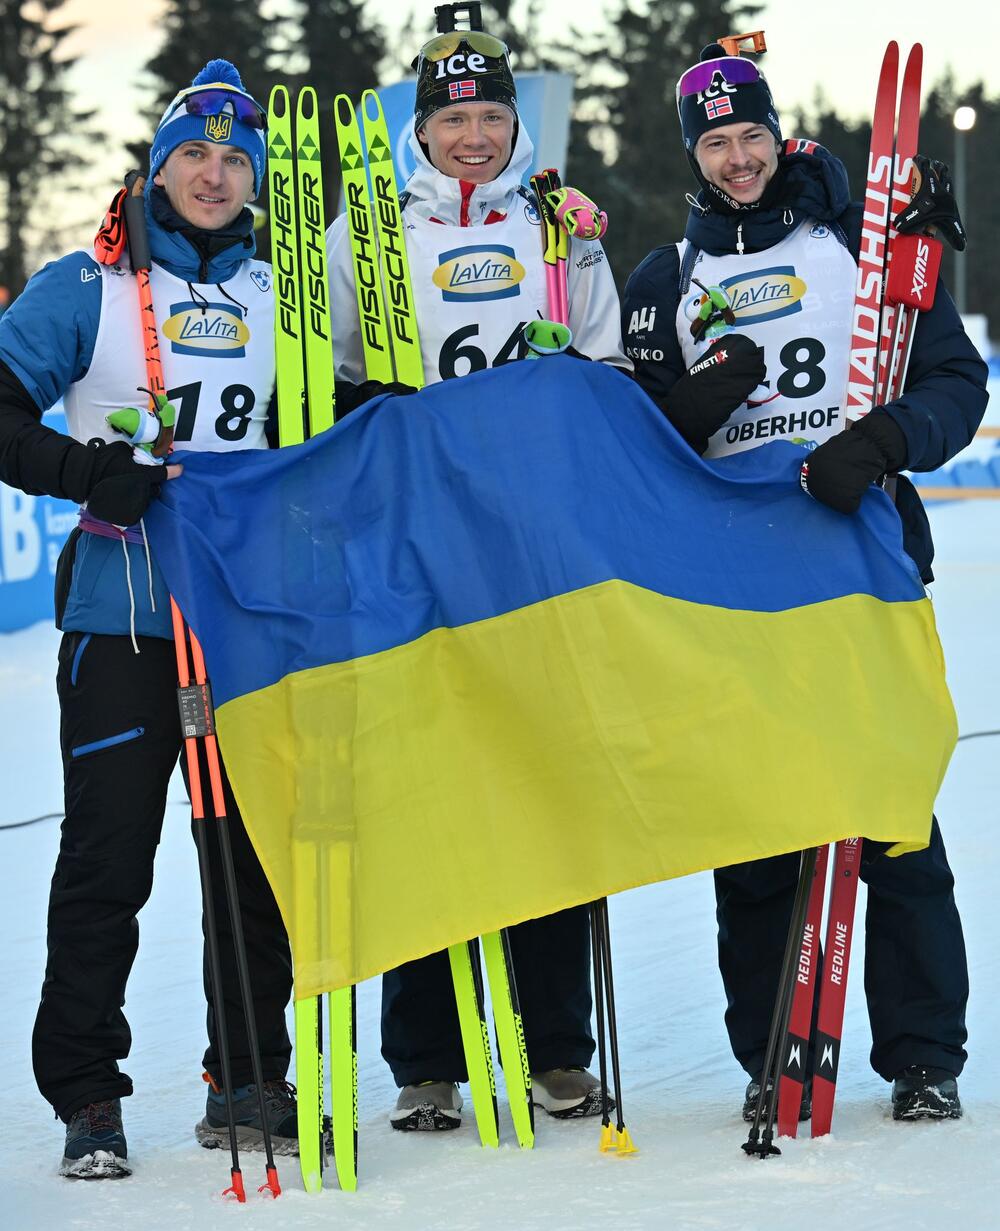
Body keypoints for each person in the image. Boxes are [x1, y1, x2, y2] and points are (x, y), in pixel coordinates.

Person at [622, 43, 987, 1123]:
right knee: (755, 840)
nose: (738, 159)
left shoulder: (863, 247)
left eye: (751, 136)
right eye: (715, 142)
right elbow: (638, 443)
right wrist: (683, 415)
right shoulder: (663, 280)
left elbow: (954, 385)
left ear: (779, 136)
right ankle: (770, 1050)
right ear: (693, 154)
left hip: (862, 561)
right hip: (734, 588)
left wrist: (877, 438)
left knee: (894, 819)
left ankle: (923, 1054)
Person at [0, 59, 339, 1179]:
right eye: (194, 152)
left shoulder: (280, 295)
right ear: (158, 166)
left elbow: (339, 430)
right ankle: (87, 1093)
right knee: (109, 860)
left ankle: (246, 1072)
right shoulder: (88, 285)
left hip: (251, 620)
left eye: (236, 157)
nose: (215, 173)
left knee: (251, 860)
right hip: (124, 618)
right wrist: (81, 467)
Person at [326, 14, 629, 1131]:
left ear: (515, 124)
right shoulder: (372, 227)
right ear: (423, 127)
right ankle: (425, 1056)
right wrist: (373, 413)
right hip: (413, 541)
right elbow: (328, 368)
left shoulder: (561, 229)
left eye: (489, 116)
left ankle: (555, 1045)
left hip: (534, 544)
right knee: (428, 787)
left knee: (550, 785)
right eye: (451, 117)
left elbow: (603, 360)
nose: (471, 135)